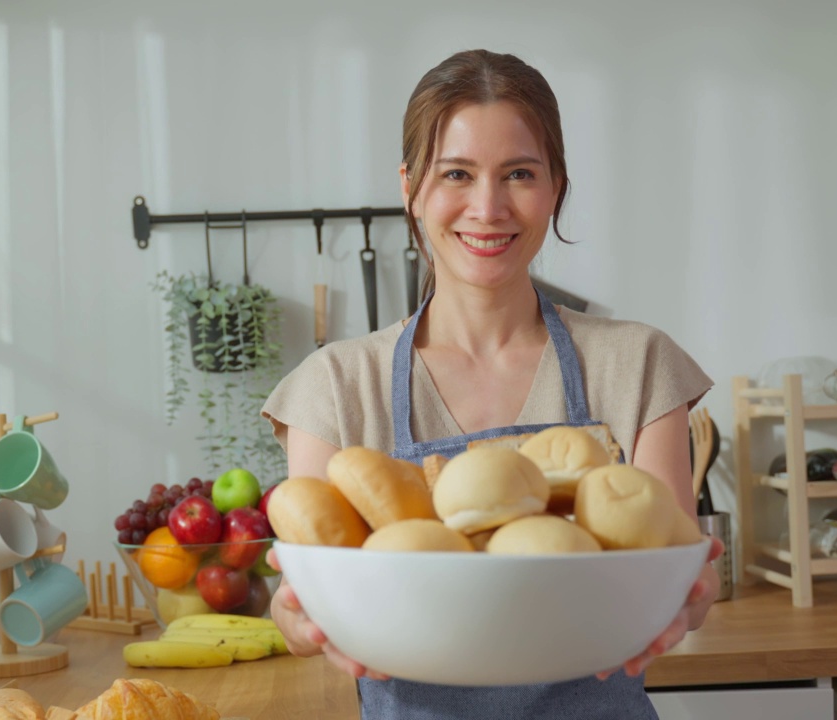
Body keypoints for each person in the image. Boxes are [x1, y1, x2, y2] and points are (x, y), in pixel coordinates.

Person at [261, 48, 721, 720]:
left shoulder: (638, 365)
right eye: (456, 173)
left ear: (556, 186)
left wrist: (693, 592)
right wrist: (293, 614)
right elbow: (314, 585)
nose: (488, 206)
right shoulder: (336, 386)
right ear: (410, 187)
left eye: (519, 174)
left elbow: (676, 572)